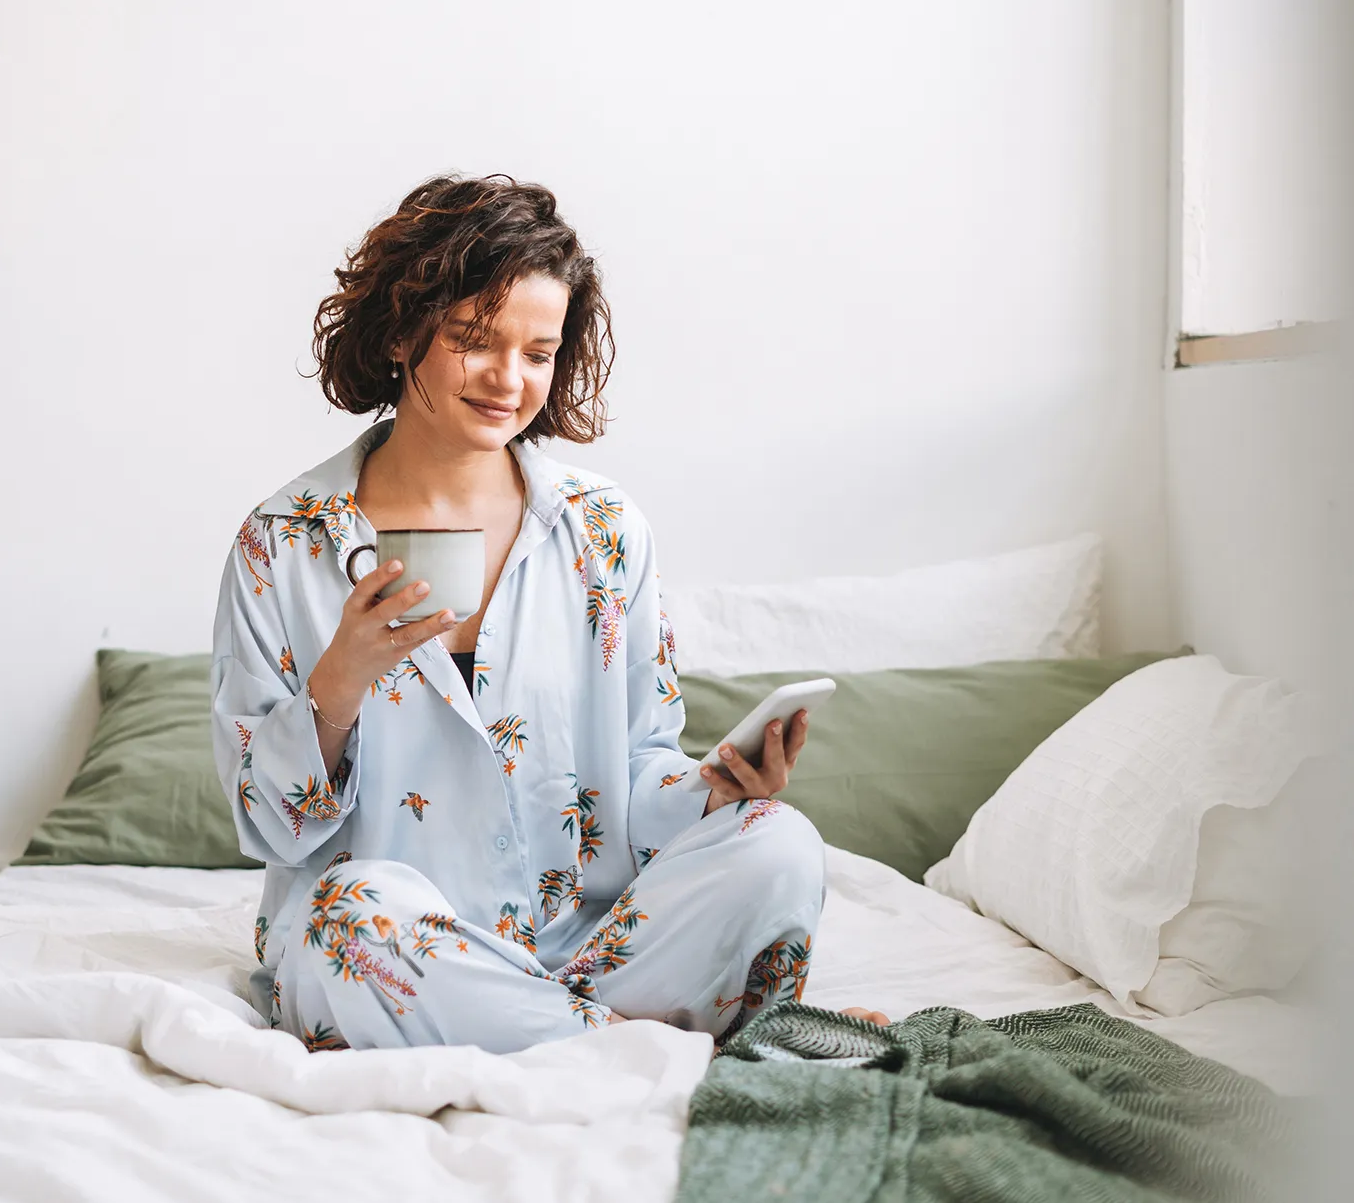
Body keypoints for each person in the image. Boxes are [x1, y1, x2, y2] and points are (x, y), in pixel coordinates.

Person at [211, 175, 878, 1052]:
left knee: (778, 843)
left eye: (539, 352)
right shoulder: (281, 545)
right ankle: (662, 1043)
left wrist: (708, 791)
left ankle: (547, 1030)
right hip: (394, 946)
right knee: (353, 916)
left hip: (582, 949)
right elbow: (269, 825)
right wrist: (338, 685)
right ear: (404, 330)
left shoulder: (603, 530)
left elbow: (638, 769)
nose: (508, 379)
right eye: (473, 340)